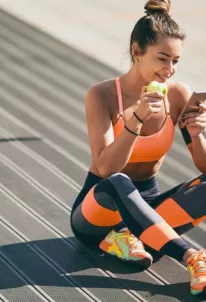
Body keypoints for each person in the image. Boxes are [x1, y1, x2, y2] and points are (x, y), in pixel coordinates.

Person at [70, 0, 206, 296]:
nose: (169, 69)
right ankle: (192, 257)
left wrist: (197, 135)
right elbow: (106, 169)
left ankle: (132, 235)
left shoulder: (178, 94)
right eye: (162, 59)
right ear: (136, 52)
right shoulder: (102, 95)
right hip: (98, 214)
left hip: (150, 207)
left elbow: (204, 170)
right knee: (118, 181)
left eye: (175, 61)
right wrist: (137, 118)